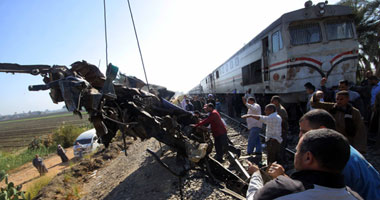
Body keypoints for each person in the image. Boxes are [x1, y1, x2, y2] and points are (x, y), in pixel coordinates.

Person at [246, 128, 362, 200]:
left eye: (297, 151)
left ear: (308, 157)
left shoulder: (280, 190)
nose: (295, 154)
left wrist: (256, 174)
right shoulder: (356, 196)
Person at [295, 109, 380, 200]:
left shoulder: (336, 159)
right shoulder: (340, 149)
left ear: (322, 130)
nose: (300, 135)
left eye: (304, 132)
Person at [270, 95, 288, 163]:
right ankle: (279, 159)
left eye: (273, 101)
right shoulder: (275, 108)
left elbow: (283, 121)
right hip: (277, 130)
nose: (271, 102)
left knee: (281, 146)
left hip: (281, 130)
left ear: (277, 101)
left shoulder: (281, 110)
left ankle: (281, 160)